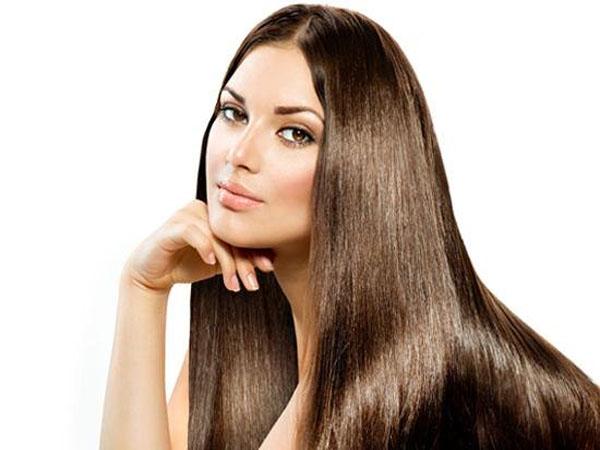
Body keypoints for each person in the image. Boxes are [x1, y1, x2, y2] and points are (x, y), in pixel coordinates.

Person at [100, 4, 600, 450]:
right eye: (234, 113)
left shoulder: (434, 385)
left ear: (364, 164)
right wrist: (142, 290)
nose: (239, 153)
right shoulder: (244, 328)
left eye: (295, 133)